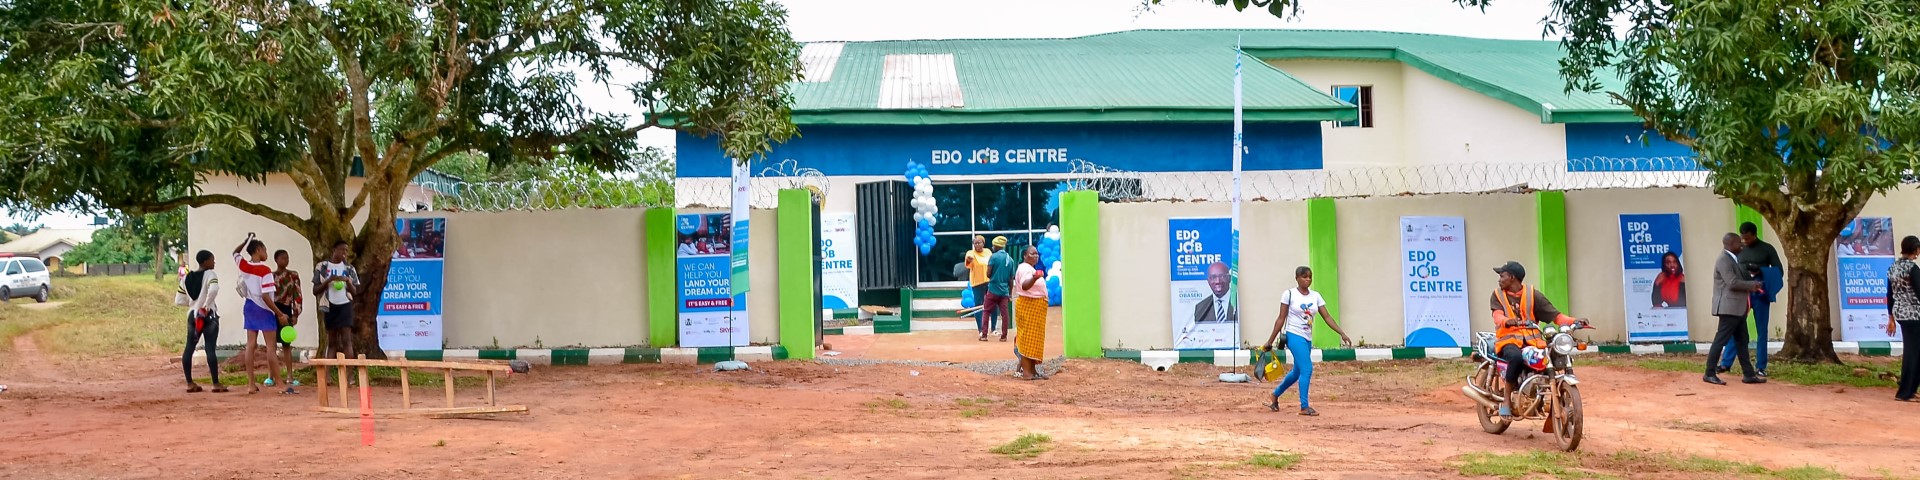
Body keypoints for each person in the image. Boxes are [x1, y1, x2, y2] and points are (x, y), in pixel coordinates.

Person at [1488, 261, 1584, 417]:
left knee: (1550, 360)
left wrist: (1574, 321)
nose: (1499, 279)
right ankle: (1506, 400)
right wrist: (1507, 321)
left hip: (1533, 342)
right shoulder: (1497, 295)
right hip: (1508, 341)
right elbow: (1497, 316)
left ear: (1512, 277)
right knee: (1516, 358)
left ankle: (1543, 397)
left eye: (1502, 275)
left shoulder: (1533, 295)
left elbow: (1556, 316)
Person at [1261, 266, 1353, 416]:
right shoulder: (1289, 294)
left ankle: (1275, 395)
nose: (1308, 279)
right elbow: (1281, 318)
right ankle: (1304, 406)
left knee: (1297, 372)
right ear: (1297, 278)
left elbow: (1327, 317)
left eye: (1310, 277)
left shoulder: (1315, 296)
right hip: (1293, 335)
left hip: (1307, 338)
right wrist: (1270, 341)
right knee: (1307, 369)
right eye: (1304, 277)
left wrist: (1341, 333)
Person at [1719, 222, 1782, 376]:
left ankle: (1760, 367)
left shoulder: (1767, 249)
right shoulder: (1738, 249)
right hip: (1743, 293)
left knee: (1762, 331)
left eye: (1748, 239)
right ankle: (1726, 363)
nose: (1745, 242)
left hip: (1760, 293)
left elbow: (1778, 270)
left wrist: (1760, 270)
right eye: (1743, 239)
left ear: (1755, 234)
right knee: (1736, 328)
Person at [1705, 233, 1766, 385]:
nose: (1742, 245)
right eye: (1739, 242)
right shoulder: (1724, 259)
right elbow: (1732, 282)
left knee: (1742, 341)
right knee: (1721, 341)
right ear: (1731, 244)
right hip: (1728, 308)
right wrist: (1752, 285)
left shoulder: (1733, 259)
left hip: (1737, 308)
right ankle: (1709, 373)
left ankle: (1749, 374)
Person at [233, 235, 289, 395]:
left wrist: (245, 241)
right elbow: (266, 296)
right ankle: (279, 383)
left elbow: (235, 253)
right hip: (264, 309)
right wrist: (279, 314)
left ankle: (251, 384)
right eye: (264, 249)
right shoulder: (265, 271)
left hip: (249, 306)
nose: (266, 252)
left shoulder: (243, 266)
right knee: (271, 348)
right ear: (258, 250)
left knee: (250, 345)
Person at [175, 250, 226, 393]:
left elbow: (179, 300)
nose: (213, 262)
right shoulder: (210, 274)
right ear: (205, 262)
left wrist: (193, 305)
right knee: (210, 348)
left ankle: (190, 383)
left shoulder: (186, 278)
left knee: (189, 348)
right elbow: (214, 289)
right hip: (208, 315)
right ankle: (216, 383)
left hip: (193, 315)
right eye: (212, 259)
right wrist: (206, 305)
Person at [314, 241, 361, 362]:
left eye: (346, 250)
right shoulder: (322, 266)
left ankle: (349, 376)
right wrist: (328, 281)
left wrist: (348, 282)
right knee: (332, 341)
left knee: (347, 340)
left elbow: (355, 292)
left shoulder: (349, 268)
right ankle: (327, 374)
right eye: (342, 250)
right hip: (329, 306)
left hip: (345, 305)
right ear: (334, 249)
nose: (344, 253)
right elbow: (315, 290)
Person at [1886, 236, 1920, 402]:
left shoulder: (1893, 268)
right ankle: (1905, 392)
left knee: (1914, 351)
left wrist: (1891, 317)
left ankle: (1911, 391)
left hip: (1900, 313)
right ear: (1915, 250)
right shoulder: (1912, 269)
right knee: (1913, 353)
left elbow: (1889, 295)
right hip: (1914, 314)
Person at [1012, 246, 1051, 380]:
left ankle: (1032, 370)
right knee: (1028, 339)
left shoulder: (1029, 268)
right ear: (1024, 255)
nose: (1036, 256)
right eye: (1032, 253)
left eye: (1036, 254)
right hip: (1029, 306)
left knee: (1033, 339)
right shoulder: (1024, 268)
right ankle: (1027, 373)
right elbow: (1024, 285)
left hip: (1034, 307)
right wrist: (1035, 278)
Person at [270, 250, 302, 394]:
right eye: (283, 258)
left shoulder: (293, 275)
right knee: (271, 344)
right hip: (273, 310)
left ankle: (290, 375)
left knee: (286, 344)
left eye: (287, 257)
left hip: (287, 309)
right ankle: (271, 376)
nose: (286, 260)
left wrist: (296, 313)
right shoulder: (271, 276)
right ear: (276, 260)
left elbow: (297, 294)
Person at [983, 236, 1016, 342]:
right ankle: (1004, 336)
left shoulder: (993, 257)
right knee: (1005, 314)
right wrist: (1010, 294)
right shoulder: (1010, 259)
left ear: (997, 246)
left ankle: (984, 335)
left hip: (993, 289)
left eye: (993, 245)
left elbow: (988, 274)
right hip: (1004, 291)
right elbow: (1011, 279)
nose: (992, 247)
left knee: (987, 311)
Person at [964, 235, 994, 341]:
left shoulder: (988, 252)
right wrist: (968, 260)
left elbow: (992, 264)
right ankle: (981, 330)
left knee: (993, 304)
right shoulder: (970, 253)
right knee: (978, 306)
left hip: (989, 282)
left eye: (979, 242)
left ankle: (993, 328)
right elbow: (967, 265)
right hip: (977, 283)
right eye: (975, 243)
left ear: (983, 243)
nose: (977, 245)